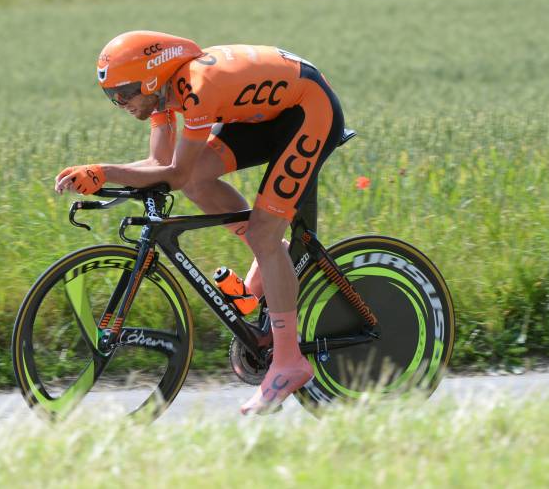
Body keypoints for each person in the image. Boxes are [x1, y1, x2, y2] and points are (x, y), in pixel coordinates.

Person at [55, 31, 345, 414]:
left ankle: (288, 362)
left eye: (124, 92)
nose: (120, 102)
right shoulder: (162, 96)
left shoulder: (196, 88)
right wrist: (98, 175)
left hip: (310, 111)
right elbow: (163, 167)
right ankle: (275, 258)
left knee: (261, 231)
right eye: (112, 96)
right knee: (200, 183)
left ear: (152, 77)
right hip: (270, 114)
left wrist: (105, 172)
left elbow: (171, 174)